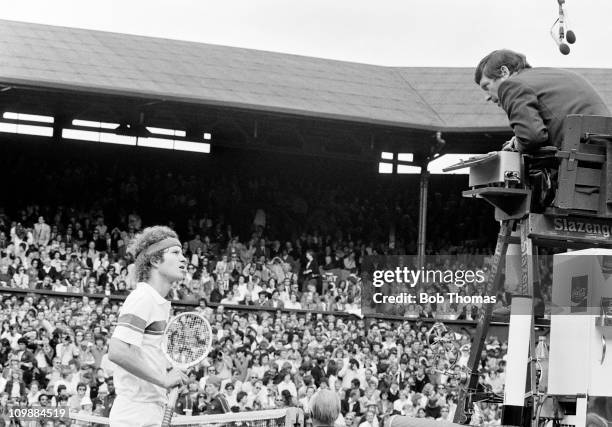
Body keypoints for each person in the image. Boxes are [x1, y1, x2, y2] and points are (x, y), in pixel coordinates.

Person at [108, 226, 189, 427]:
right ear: (154, 260)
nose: (184, 259)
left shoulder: (158, 302)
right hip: (135, 414)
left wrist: (167, 375)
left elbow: (144, 355)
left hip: (151, 411)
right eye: (175, 253)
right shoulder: (143, 297)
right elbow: (117, 351)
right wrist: (163, 380)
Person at [475, 49, 611, 153]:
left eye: (486, 86)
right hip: (603, 155)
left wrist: (515, 145)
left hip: (584, 165)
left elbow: (532, 138)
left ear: (504, 72)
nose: (487, 97)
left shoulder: (512, 85)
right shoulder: (555, 75)